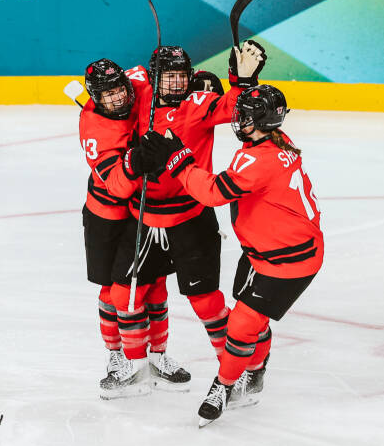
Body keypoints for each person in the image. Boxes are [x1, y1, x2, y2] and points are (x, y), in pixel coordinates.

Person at [141, 84, 323, 426]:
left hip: (287, 260)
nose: (237, 120)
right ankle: (253, 373)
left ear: (262, 121)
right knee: (253, 320)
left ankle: (223, 385)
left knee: (241, 325)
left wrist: (177, 160)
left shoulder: (259, 159)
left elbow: (212, 193)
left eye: (245, 116)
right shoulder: (270, 141)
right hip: (261, 252)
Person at [102, 41, 267, 399]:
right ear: (154, 77)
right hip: (142, 215)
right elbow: (107, 94)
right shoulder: (139, 93)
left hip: (191, 217)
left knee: (206, 301)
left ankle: (234, 372)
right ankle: (136, 367)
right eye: (169, 76)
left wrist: (243, 81)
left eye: (182, 76)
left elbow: (234, 107)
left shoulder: (199, 105)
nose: (176, 84)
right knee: (125, 294)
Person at [78, 58, 173, 393]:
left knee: (151, 284)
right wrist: (135, 159)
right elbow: (117, 185)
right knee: (111, 292)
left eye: (119, 89)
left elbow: (152, 74)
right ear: (96, 98)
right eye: (108, 95)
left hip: (141, 213)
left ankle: (158, 354)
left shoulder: (135, 81)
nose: (118, 98)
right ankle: (117, 355)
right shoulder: (95, 130)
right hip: (106, 215)